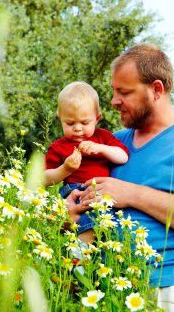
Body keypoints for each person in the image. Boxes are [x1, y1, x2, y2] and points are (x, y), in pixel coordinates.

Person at [66, 44, 174, 311]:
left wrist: (133, 194)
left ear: (156, 90)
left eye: (124, 92)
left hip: (172, 291)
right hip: (108, 289)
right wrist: (70, 214)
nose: (113, 101)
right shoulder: (111, 144)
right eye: (113, 91)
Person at [44, 81, 129, 243]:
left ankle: (79, 254)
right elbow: (45, 179)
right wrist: (65, 169)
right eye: (70, 123)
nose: (77, 128)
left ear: (97, 118)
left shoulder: (103, 137)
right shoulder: (58, 147)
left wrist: (101, 148)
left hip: (99, 190)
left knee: (100, 219)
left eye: (84, 122)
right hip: (73, 191)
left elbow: (123, 156)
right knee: (91, 218)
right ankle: (79, 256)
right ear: (60, 118)